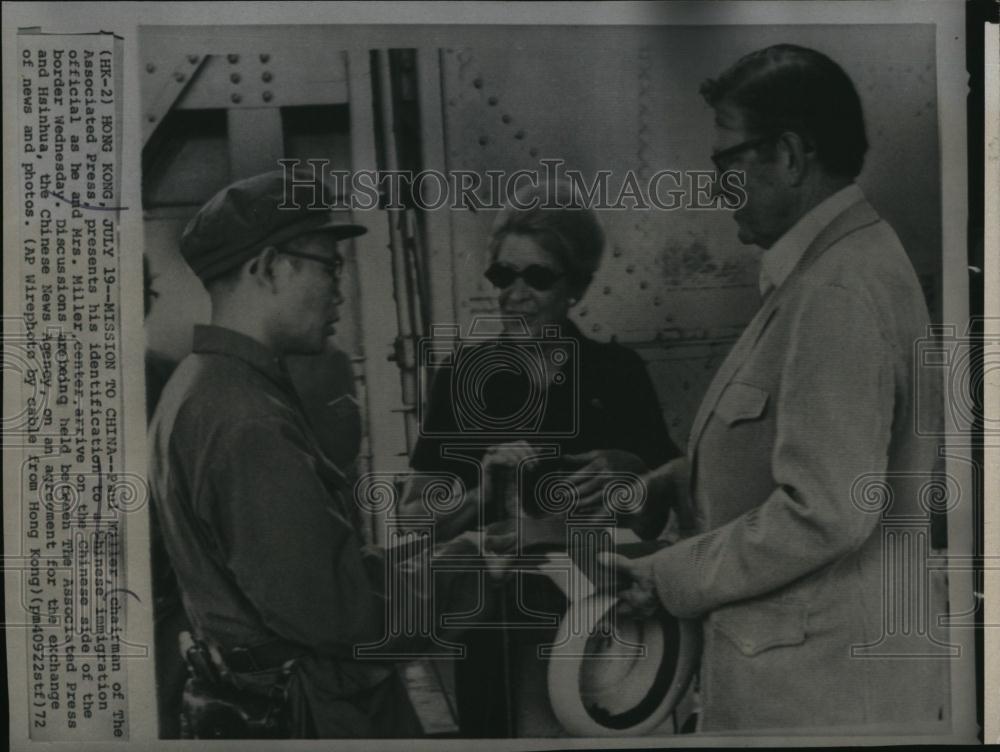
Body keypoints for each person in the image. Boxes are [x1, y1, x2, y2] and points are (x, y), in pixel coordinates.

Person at [601, 44, 948, 732]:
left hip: (822, 695)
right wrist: (679, 481)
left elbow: (826, 510)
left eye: (727, 163)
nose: (716, 187)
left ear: (789, 156)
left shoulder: (837, 289)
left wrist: (668, 576)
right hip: (814, 683)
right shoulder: (824, 272)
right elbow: (803, 452)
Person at [148, 170, 502, 738]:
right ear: (266, 268)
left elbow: (316, 575)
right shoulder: (245, 419)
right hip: (315, 718)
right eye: (329, 266)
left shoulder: (205, 385)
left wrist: (456, 549)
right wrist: (479, 563)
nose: (340, 290)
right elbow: (342, 614)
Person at [402, 180, 686, 736]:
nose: (515, 293)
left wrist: (629, 469)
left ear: (575, 286)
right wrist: (482, 490)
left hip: (603, 629)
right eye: (503, 275)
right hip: (493, 628)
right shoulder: (461, 379)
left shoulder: (618, 376)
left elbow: (661, 514)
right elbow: (413, 520)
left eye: (537, 277)